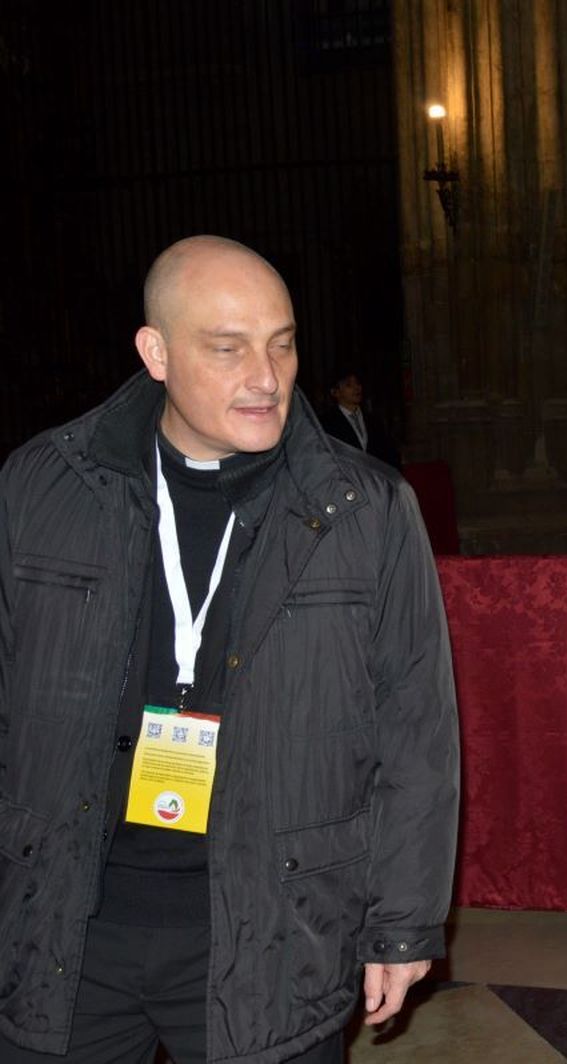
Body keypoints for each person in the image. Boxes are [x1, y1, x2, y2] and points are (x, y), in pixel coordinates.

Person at [0, 236, 459, 1062]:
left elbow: (415, 730)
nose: (266, 375)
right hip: (66, 929)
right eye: (228, 348)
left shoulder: (364, 509)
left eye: (281, 343)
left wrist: (402, 922)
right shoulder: (43, 487)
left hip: (274, 930)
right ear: (156, 353)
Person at [318, 369, 401, 469]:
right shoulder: (326, 423)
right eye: (349, 385)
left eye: (357, 383)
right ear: (335, 392)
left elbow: (389, 453)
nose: (356, 388)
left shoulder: (374, 421)